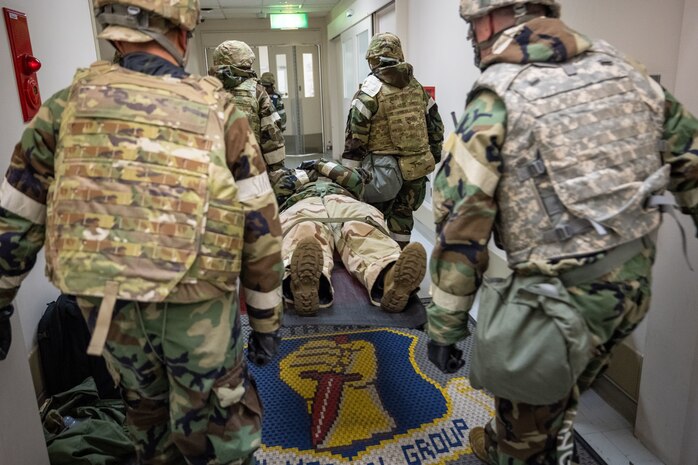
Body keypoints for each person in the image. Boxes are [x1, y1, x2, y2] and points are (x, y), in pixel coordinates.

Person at [0, 1, 285, 464]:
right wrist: (267, 321)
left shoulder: (65, 107)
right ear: (182, 33)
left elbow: (17, 212)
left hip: (110, 307)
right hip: (196, 305)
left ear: (114, 34)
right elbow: (260, 225)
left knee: (147, 415)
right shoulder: (217, 110)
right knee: (219, 432)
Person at [425, 1, 698, 464]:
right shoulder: (623, 70)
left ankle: (523, 445)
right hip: (630, 284)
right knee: (559, 390)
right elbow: (690, 158)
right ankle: (536, 430)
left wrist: (446, 326)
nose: (471, 34)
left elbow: (461, 222)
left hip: (556, 302)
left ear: (505, 15)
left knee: (528, 431)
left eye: (474, 22)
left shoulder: (498, 95)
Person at [270, 160, 427, 316]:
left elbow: (354, 180)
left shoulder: (344, 175)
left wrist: (317, 164)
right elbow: (280, 188)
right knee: (305, 231)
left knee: (361, 229)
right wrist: (313, 172)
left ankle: (389, 275)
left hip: (344, 200)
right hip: (303, 202)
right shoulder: (287, 174)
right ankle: (305, 283)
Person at [342, 33, 444, 248]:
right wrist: (433, 156)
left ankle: (382, 262)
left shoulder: (369, 92)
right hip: (416, 169)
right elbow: (435, 125)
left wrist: (350, 177)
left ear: (372, 59)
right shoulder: (417, 89)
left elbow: (355, 137)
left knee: (374, 218)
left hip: (381, 172)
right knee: (403, 217)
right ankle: (402, 258)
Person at [213, 40, 286, 170]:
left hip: (215, 171)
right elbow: (271, 134)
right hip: (250, 169)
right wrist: (277, 169)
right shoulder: (257, 91)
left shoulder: (204, 90)